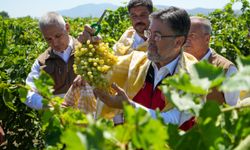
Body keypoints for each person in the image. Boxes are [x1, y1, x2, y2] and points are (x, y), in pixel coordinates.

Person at [64, 7, 198, 130]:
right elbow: (103, 70)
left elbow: (175, 120)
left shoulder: (193, 75)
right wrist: (90, 46)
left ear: (178, 41)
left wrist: (128, 106)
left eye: (157, 36)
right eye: (149, 33)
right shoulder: (137, 62)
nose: (149, 40)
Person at [25, 12, 82, 109]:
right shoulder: (42, 62)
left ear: (67, 28)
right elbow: (28, 94)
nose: (55, 43)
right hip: (59, 119)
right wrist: (50, 104)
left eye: (58, 36)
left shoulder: (86, 50)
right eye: (49, 39)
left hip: (90, 119)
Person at [183, 16, 239, 106]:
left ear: (207, 39)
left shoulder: (226, 69)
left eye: (192, 36)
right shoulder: (177, 62)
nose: (186, 40)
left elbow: (234, 108)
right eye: (184, 35)